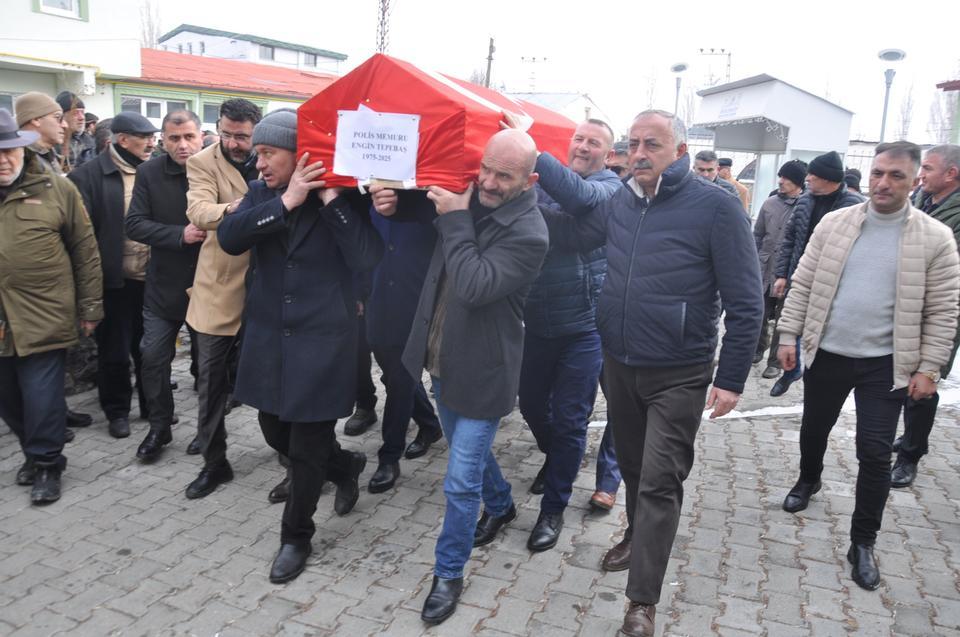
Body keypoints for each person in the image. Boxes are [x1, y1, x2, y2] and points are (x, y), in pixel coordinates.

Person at [539, 110, 763, 637]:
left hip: (680, 370)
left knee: (661, 480)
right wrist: (503, 200)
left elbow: (746, 299)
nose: (639, 153)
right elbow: (573, 236)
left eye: (653, 144)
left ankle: (641, 604)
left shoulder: (715, 207)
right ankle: (638, 536)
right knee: (637, 471)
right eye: (633, 143)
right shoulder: (621, 199)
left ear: (680, 151)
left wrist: (730, 377)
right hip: (620, 362)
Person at [377, 129, 548, 624]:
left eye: (504, 176)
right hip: (439, 355)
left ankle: (448, 572)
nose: (490, 182)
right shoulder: (468, 195)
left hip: (483, 372)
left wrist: (455, 218)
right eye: (487, 169)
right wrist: (392, 203)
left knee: (458, 481)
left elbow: (473, 285)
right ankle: (501, 504)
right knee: (464, 456)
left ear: (529, 180)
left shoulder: (529, 232)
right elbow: (426, 201)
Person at [777, 141, 959, 591]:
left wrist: (929, 368)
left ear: (914, 180)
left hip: (886, 365)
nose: (883, 182)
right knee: (814, 428)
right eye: (878, 173)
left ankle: (863, 542)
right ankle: (808, 479)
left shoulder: (935, 238)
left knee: (875, 454)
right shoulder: (835, 224)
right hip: (828, 353)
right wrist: (787, 334)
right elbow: (803, 281)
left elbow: (942, 311)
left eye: (896, 175)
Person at [218, 109, 383, 583]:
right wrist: (286, 201)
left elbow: (368, 257)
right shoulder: (261, 193)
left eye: (269, 152)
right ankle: (347, 463)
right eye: (258, 153)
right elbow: (229, 238)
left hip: (323, 341)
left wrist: (330, 201)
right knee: (276, 433)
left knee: (306, 446)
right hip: (269, 337)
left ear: (301, 153)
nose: (260, 161)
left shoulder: (344, 196)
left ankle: (297, 537)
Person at [515, 118, 621, 550]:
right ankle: (558, 457)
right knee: (532, 406)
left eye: (593, 142)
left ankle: (553, 510)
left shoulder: (609, 187)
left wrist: (527, 146)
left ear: (608, 155)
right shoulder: (546, 182)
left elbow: (576, 203)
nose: (583, 147)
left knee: (572, 419)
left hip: (584, 328)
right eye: (578, 139)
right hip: (536, 322)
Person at [0, 108, 102, 504]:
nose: (3, 160)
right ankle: (32, 451)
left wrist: (90, 308)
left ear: (21, 148)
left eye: (9, 150)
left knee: (41, 396)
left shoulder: (57, 189)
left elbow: (84, 250)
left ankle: (46, 464)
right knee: (8, 397)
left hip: (44, 314)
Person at [183, 98, 269, 500]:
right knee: (211, 383)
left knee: (274, 380)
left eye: (243, 136)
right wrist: (241, 207)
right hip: (219, 288)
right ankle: (214, 464)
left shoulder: (275, 158)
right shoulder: (202, 162)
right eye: (227, 134)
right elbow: (199, 211)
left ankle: (293, 461)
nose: (234, 143)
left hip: (269, 289)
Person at [68, 112, 158, 439]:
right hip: (113, 283)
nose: (152, 142)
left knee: (151, 350)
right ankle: (117, 411)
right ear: (122, 140)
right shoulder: (87, 177)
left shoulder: (154, 169)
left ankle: (153, 407)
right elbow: (81, 239)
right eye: (144, 136)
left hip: (152, 280)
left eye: (153, 136)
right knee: (115, 354)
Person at [124, 110, 205, 462]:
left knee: (208, 365)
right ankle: (159, 426)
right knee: (153, 356)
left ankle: (209, 429)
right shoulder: (149, 172)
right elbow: (135, 224)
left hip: (208, 286)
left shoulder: (219, 168)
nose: (182, 145)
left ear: (201, 136)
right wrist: (179, 235)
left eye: (189, 136)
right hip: (163, 286)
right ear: (162, 140)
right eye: (174, 138)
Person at [360, 190, 444, 494]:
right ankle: (429, 424)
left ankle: (389, 456)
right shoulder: (369, 188)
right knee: (392, 371)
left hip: (417, 296)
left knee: (401, 377)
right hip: (377, 294)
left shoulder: (429, 190)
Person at [890, 144, 960, 488]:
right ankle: (908, 439)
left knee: (923, 384)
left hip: (939, 313)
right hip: (906, 307)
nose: (921, 175)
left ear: (951, 173)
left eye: (928, 168)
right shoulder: (919, 201)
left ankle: (910, 456)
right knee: (902, 379)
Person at [769, 150, 864, 396]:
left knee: (818, 328)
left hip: (832, 283)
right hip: (798, 276)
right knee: (788, 323)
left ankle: (817, 373)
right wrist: (781, 274)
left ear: (827, 177)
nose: (807, 178)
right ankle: (790, 371)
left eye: (813, 174)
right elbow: (789, 239)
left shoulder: (852, 206)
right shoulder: (805, 200)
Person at [753, 160, 806, 376]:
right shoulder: (769, 204)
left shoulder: (806, 206)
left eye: (787, 178)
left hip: (791, 272)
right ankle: (757, 349)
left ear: (798, 182)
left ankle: (774, 362)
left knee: (784, 317)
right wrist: (754, 259)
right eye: (781, 177)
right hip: (764, 268)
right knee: (760, 313)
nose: (781, 181)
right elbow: (757, 235)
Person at [15, 92, 69, 174]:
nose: (65, 125)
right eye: (58, 117)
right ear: (36, 120)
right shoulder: (19, 162)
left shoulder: (49, 155)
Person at [55, 91, 94, 171]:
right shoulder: (55, 142)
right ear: (62, 116)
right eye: (75, 113)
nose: (82, 117)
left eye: (82, 112)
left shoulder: (89, 140)